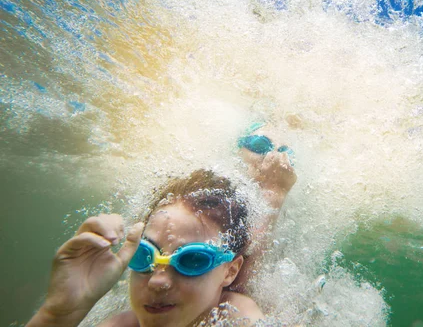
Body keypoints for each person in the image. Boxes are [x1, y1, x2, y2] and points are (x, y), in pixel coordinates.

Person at [26, 127, 297, 327]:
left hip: (223, 289)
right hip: (211, 283)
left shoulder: (237, 314)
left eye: (192, 259)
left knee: (245, 280)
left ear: (229, 270)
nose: (157, 281)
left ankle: (273, 190)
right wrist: (58, 314)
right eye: (143, 256)